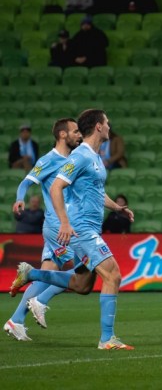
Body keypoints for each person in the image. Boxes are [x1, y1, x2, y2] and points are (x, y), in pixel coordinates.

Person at [9, 110, 136, 349]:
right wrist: (65, 223)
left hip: (89, 228)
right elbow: (56, 187)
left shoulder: (95, 157)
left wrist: (117, 208)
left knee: (82, 285)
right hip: (81, 229)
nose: (110, 126)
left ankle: (31, 274)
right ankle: (107, 339)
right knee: (113, 275)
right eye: (107, 122)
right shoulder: (80, 156)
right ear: (98, 127)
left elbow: (97, 193)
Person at [5, 118, 82, 342]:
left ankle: (16, 320)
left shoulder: (75, 159)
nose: (78, 135)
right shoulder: (49, 159)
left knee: (47, 277)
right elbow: (26, 181)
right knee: (86, 269)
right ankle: (40, 301)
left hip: (64, 224)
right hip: (60, 226)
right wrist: (20, 199)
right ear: (62, 135)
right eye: (74, 131)